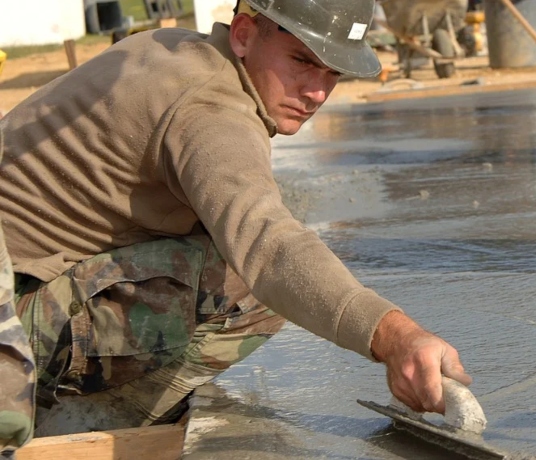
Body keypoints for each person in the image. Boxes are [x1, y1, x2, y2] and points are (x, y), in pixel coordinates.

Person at [0, 0, 471, 455]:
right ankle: (88, 420)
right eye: (302, 61)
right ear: (245, 34)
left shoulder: (171, 47)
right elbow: (269, 247)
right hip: (13, 326)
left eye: (334, 74)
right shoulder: (212, 110)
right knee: (247, 283)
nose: (317, 93)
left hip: (19, 284)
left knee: (219, 244)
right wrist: (395, 337)